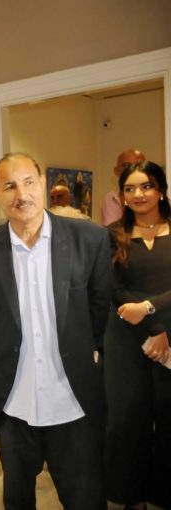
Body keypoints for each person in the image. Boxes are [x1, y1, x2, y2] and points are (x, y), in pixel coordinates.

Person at [0, 153, 112, 509]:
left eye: (28, 182)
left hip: (73, 400)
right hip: (14, 402)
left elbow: (99, 311)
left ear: (43, 183)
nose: (21, 194)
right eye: (9, 186)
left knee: (85, 499)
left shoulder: (89, 239)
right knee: (17, 500)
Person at [104, 160, 171, 509]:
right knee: (127, 422)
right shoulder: (110, 234)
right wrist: (153, 328)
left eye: (146, 186)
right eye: (129, 188)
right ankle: (129, 496)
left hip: (170, 338)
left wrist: (150, 311)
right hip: (127, 340)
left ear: (161, 190)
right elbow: (113, 288)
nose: (138, 194)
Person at [101, 148, 145, 226]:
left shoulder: (153, 194)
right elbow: (111, 230)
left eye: (138, 165)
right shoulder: (111, 198)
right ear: (116, 171)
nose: (132, 169)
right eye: (126, 165)